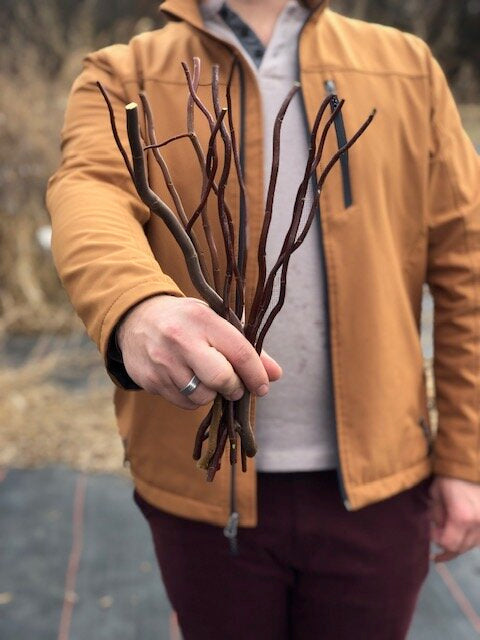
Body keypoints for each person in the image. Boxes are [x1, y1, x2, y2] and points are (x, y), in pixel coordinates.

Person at [47, 0, 480, 638]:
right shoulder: (122, 74)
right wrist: (135, 303)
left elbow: (465, 268)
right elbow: (88, 193)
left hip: (382, 487)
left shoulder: (405, 67)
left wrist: (465, 458)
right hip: (201, 488)